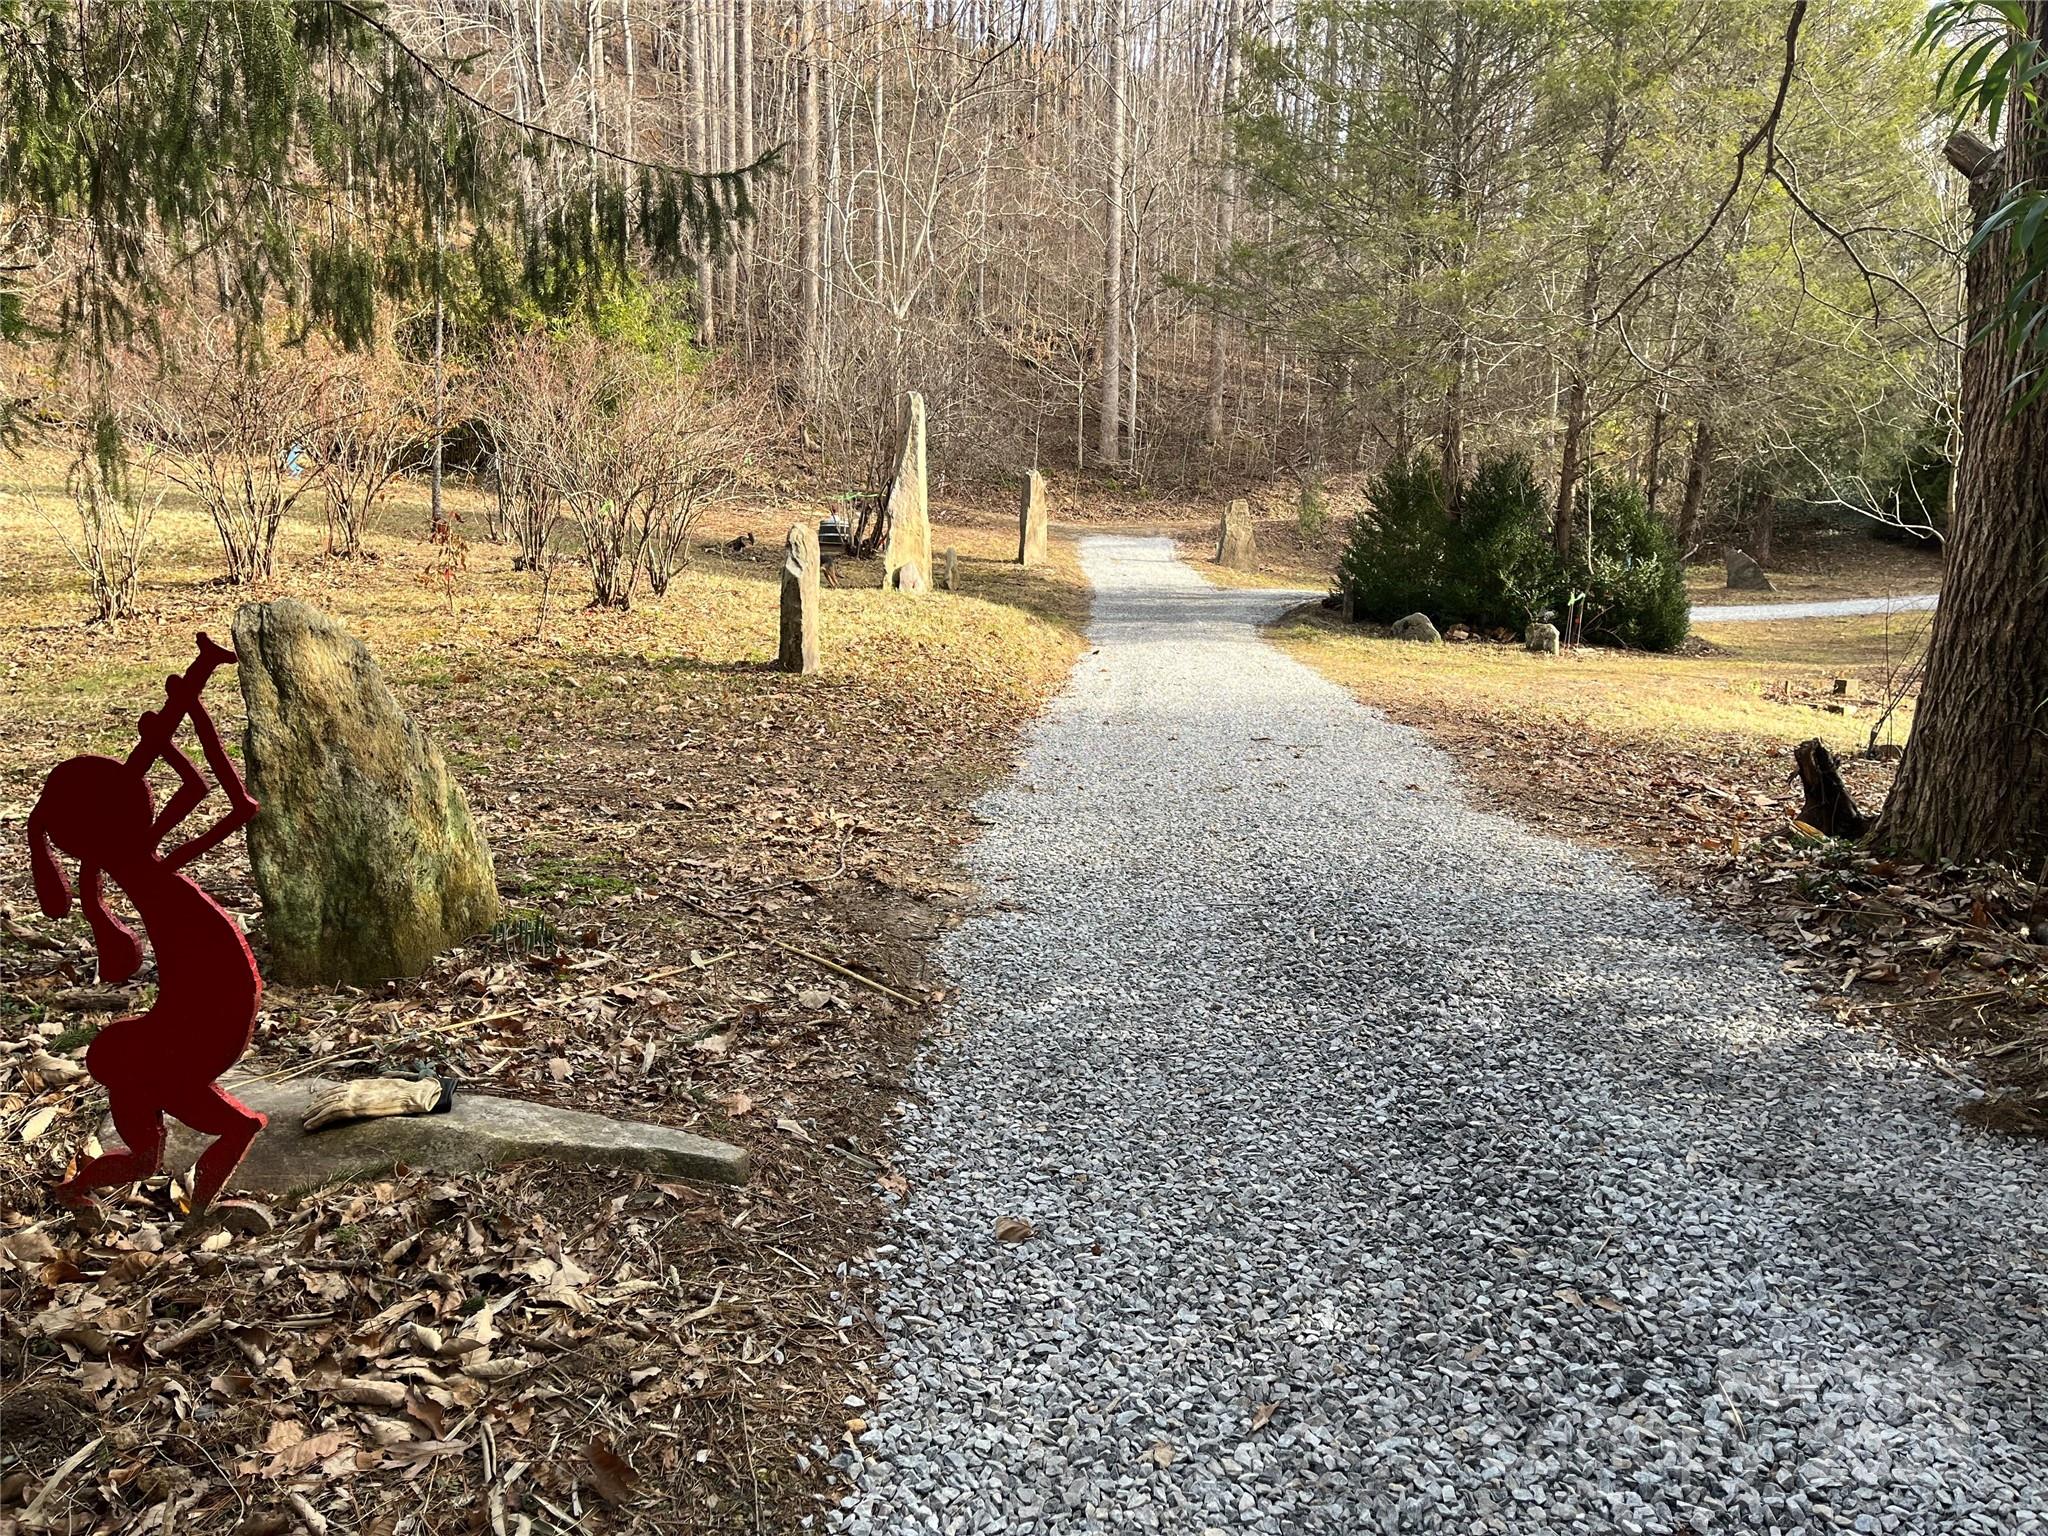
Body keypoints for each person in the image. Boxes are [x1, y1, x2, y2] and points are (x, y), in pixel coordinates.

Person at [26, 636, 267, 1211]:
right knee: (205, 1115)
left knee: (170, 1109)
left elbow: (219, 798)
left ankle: (192, 1180)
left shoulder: (123, 872)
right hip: (212, 990)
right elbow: (216, 797)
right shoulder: (126, 870)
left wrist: (186, 717)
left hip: (210, 988)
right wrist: (184, 723)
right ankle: (202, 1191)